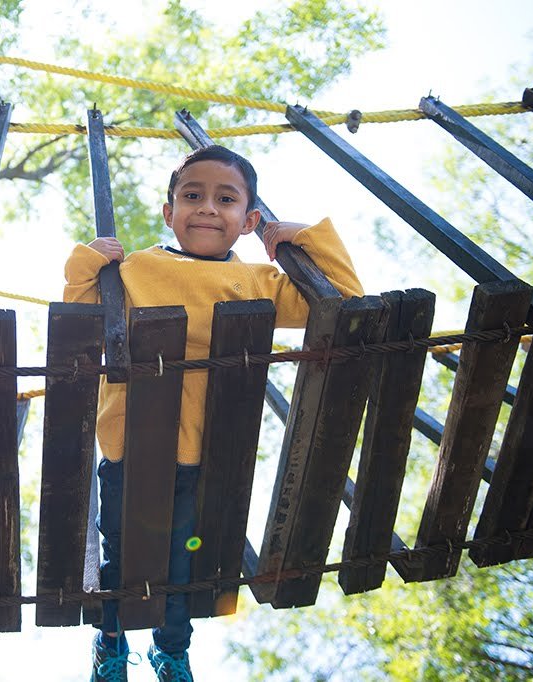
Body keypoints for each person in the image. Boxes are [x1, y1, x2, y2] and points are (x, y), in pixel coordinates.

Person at [63, 145, 364, 681]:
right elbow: (81, 314)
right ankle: (110, 648)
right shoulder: (134, 269)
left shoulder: (261, 284)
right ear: (168, 211)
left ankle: (172, 650)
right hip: (130, 446)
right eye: (192, 196)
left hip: (203, 456)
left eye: (225, 199)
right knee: (120, 556)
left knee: (185, 566)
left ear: (249, 221)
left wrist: (301, 235)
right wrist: (90, 260)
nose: (206, 207)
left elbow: (343, 300)